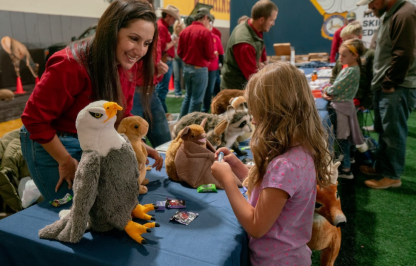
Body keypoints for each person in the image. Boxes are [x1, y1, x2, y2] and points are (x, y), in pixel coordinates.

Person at [20, 0, 163, 202]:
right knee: (71, 211)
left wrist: (136, 141)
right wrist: (64, 161)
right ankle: (33, 189)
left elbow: (122, 115)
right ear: (112, 31)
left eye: (147, 43)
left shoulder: (127, 66)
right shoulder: (71, 64)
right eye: (133, 38)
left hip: (92, 141)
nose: (140, 51)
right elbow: (34, 119)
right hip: (54, 142)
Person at [211, 62, 332, 266]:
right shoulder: (298, 151)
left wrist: (227, 180)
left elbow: (256, 225)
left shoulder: (285, 164)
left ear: (275, 113)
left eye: (257, 112)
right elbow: (270, 190)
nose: (254, 120)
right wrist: (239, 169)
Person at [356, 0, 416, 189]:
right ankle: (382, 167)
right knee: (384, 131)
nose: (369, 7)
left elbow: (404, 54)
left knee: (393, 133)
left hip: (396, 88)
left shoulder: (404, 14)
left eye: (372, 2)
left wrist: (390, 83)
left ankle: (392, 176)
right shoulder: (391, 15)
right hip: (387, 87)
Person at [323, 39, 366, 179]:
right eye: (339, 55)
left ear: (355, 55)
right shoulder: (349, 68)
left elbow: (335, 88)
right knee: (343, 138)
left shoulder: (351, 71)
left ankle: (346, 169)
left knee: (342, 139)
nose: (340, 58)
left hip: (342, 109)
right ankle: (347, 162)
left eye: (344, 55)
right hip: (342, 106)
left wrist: (326, 90)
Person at [221, 0, 278, 90]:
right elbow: (253, 77)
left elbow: (262, 52)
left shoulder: (256, 29)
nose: (273, 24)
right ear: (262, 20)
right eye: (272, 20)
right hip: (236, 90)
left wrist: (261, 64)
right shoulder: (245, 44)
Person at [177, 7, 216, 118]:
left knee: (188, 97)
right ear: (205, 17)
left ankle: (181, 122)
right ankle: (189, 125)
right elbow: (209, 54)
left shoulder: (185, 31)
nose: (208, 22)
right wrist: (213, 57)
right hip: (199, 69)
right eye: (209, 20)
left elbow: (179, 52)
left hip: (186, 68)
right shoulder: (205, 32)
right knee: (197, 100)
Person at [155, 4, 181, 113]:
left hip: (165, 60)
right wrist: (173, 42)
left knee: (161, 89)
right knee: (162, 90)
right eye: (174, 18)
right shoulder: (161, 27)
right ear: (168, 16)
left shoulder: (162, 26)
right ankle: (161, 114)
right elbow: (163, 46)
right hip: (165, 60)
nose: (174, 21)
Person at [202, 21, 224, 113]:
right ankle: (205, 108)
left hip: (213, 68)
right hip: (202, 67)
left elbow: (221, 52)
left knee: (211, 90)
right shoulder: (201, 37)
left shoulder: (215, 38)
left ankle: (210, 108)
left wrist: (221, 64)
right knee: (204, 90)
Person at [172, 20, 186, 98]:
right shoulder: (173, 36)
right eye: (177, 26)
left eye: (179, 26)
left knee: (185, 75)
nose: (178, 28)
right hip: (175, 59)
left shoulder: (184, 35)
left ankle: (187, 91)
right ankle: (177, 92)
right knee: (176, 76)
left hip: (183, 58)